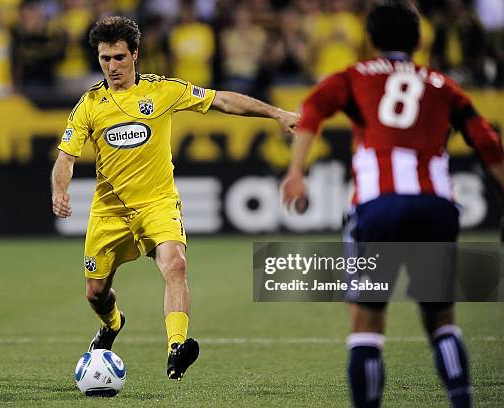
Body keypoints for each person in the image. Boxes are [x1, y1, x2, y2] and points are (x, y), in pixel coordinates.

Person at [280, 1, 504, 407]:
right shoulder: (442, 84)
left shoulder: (353, 76)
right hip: (436, 207)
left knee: (366, 323)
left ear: (369, 39)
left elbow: (312, 110)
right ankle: (462, 401)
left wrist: (296, 171)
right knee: (441, 320)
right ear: (419, 41)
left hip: (378, 206)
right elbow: (488, 143)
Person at [51, 15, 297, 380]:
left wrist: (276, 113)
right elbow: (65, 158)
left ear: (135, 54)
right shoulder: (89, 105)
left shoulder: (162, 90)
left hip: (158, 203)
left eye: (119, 57)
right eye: (105, 59)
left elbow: (223, 101)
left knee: (176, 264)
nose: (112, 67)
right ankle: (113, 324)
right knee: (96, 293)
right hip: (109, 212)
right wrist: (60, 190)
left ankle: (177, 347)